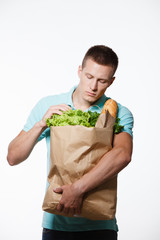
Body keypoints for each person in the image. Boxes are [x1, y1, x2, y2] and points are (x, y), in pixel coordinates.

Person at [7, 45, 133, 240]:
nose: (93, 87)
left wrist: (77, 189)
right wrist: (41, 124)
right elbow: (13, 157)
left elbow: (123, 155)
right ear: (79, 71)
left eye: (102, 81)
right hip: (56, 223)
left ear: (112, 81)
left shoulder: (117, 112)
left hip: (100, 225)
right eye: (89, 77)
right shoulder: (49, 105)